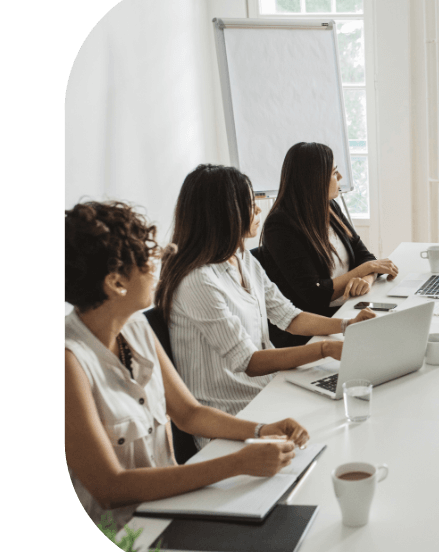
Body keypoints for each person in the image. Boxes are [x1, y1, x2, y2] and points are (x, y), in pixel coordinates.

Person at [65, 200, 312, 529]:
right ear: (116, 282)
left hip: (173, 506)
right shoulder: (71, 361)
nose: (157, 265)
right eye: (146, 259)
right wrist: (236, 463)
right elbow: (111, 488)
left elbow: (189, 414)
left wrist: (260, 430)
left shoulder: (134, 325)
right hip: (129, 533)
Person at [154, 164, 376, 444]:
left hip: (268, 393)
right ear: (224, 214)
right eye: (250, 203)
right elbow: (249, 362)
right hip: (233, 419)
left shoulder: (241, 257)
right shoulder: (197, 280)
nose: (259, 209)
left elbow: (288, 316)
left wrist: (346, 325)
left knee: (355, 410)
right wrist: (325, 348)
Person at [256, 142, 399, 348]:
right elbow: (314, 295)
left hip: (348, 309)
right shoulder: (280, 225)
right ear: (314, 180)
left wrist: (366, 279)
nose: (340, 178)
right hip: (316, 330)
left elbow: (364, 254)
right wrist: (366, 269)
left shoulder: (329, 207)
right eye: (334, 173)